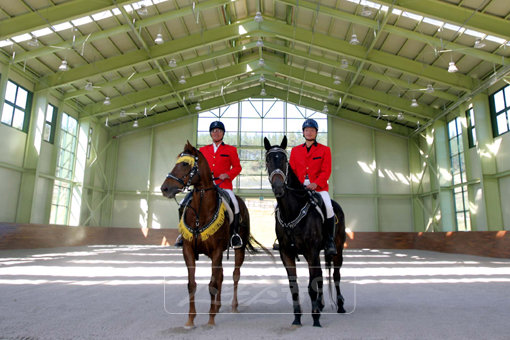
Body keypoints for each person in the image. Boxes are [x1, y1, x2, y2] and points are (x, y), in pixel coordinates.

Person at [175, 121, 243, 248]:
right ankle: (182, 234)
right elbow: (197, 166)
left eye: (219, 130)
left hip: (223, 185)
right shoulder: (203, 150)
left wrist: (227, 174)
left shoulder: (231, 149)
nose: (216, 133)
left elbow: (238, 167)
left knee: (235, 204)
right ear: (210, 133)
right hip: (204, 185)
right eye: (213, 131)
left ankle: (234, 235)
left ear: (223, 133)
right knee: (183, 203)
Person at [289, 118, 337, 256]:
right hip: (299, 188)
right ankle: (285, 239)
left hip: (318, 187)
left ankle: (329, 240)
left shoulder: (325, 150)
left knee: (328, 207)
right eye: (306, 130)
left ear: (316, 133)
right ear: (303, 133)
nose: (309, 132)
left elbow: (326, 170)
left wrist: (316, 183)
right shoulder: (296, 150)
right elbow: (291, 171)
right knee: (280, 207)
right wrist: (296, 186)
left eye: (312, 130)